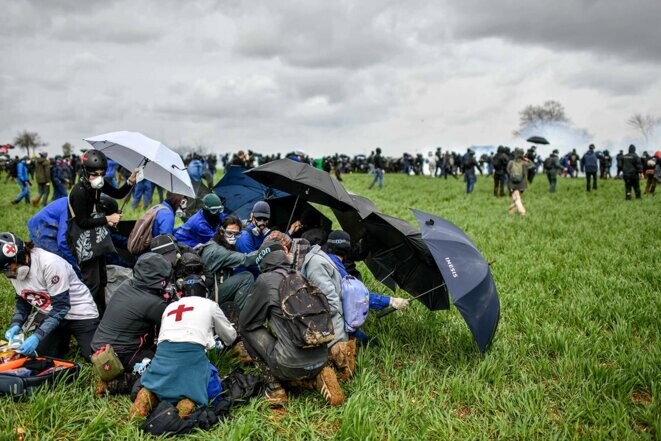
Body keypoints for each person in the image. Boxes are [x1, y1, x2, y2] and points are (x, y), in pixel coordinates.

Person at [239, 238, 343, 407]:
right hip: (321, 357)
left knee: (246, 329)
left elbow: (247, 321)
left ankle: (274, 388)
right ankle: (318, 373)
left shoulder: (265, 280)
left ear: (263, 261)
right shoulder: (301, 277)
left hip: (287, 365)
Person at [130, 274, 237, 418]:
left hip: (162, 358)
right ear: (204, 290)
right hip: (190, 357)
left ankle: (150, 393)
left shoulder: (170, 307)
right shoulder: (210, 305)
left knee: (157, 381)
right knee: (211, 384)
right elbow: (230, 337)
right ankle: (188, 402)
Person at [319, 231, 409, 376]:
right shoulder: (338, 270)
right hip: (330, 323)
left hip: (309, 320)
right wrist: (391, 301)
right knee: (367, 341)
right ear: (348, 250)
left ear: (328, 247)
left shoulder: (318, 260)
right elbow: (359, 297)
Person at [1, 233, 99, 362]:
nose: (8, 273)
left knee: (93, 356)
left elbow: (61, 307)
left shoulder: (49, 264)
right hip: (51, 315)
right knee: (39, 356)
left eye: (8, 268)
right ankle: (62, 340)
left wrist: (37, 335)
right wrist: (16, 323)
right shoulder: (14, 272)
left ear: (18, 256)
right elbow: (23, 299)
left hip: (79, 313)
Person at [67, 149, 138, 317]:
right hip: (82, 242)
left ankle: (101, 314)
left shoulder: (97, 184)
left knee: (102, 280)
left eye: (101, 173)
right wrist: (107, 219)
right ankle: (85, 318)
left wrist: (130, 181)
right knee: (93, 283)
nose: (98, 177)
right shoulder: (79, 192)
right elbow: (82, 221)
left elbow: (118, 194)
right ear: (85, 171)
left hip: (96, 240)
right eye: (94, 174)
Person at [91, 252, 172, 395]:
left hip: (98, 347)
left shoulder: (127, 284)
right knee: (166, 368)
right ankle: (117, 384)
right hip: (117, 356)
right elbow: (173, 321)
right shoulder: (152, 302)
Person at [197, 216, 257, 310]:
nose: (233, 237)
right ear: (221, 232)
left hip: (206, 294)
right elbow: (247, 260)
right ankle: (235, 318)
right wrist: (268, 248)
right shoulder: (219, 251)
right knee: (246, 277)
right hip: (208, 298)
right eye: (229, 233)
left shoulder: (215, 243)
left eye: (236, 234)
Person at [506, 148, 533, 216]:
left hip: (512, 183)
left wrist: (513, 176)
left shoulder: (510, 162)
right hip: (522, 184)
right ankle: (514, 212)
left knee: (516, 197)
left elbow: (508, 171)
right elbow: (532, 165)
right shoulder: (524, 163)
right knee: (517, 197)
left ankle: (520, 212)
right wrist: (527, 159)